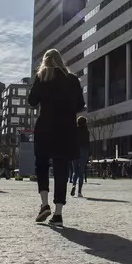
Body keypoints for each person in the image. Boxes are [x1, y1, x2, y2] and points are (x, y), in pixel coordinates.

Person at [28, 48, 85, 226]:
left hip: (45, 128)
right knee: (61, 169)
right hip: (66, 130)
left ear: (45, 61)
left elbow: (32, 101)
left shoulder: (43, 77)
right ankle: (58, 213)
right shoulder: (72, 79)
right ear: (61, 60)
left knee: (42, 165)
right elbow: (80, 105)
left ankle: (44, 204)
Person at [70, 116, 90, 198]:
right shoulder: (87, 132)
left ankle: (73, 185)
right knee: (81, 172)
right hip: (84, 151)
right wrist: (90, 154)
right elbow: (88, 143)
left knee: (74, 171)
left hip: (75, 151)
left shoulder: (74, 131)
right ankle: (79, 192)